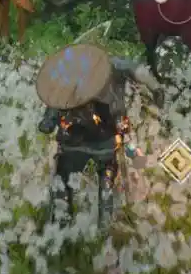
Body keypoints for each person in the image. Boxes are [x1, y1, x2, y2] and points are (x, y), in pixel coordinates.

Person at [36, 48, 163, 224]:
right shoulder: (106, 67)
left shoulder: (108, 67)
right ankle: (67, 225)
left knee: (99, 184)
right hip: (78, 141)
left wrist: (156, 88)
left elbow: (139, 72)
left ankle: (91, 225)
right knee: (74, 184)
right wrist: (156, 89)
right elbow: (55, 103)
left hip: (101, 139)